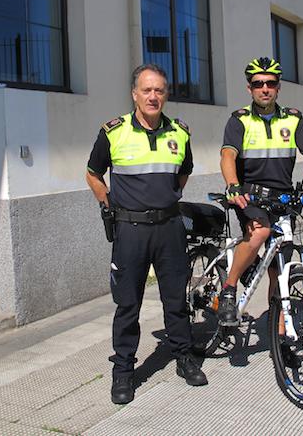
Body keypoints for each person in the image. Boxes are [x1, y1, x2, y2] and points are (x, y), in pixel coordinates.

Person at [86, 64, 208, 405]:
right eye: (147, 90)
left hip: (169, 227)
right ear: (134, 94)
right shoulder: (113, 132)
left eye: (160, 90)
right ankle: (123, 370)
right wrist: (109, 206)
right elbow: (93, 174)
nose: (154, 96)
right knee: (128, 305)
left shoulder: (180, 133)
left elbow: (183, 174)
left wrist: (166, 199)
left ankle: (184, 358)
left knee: (175, 300)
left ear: (166, 94)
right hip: (130, 230)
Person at [219, 56, 303, 364]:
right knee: (260, 230)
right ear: (249, 88)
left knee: (281, 273)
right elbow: (227, 155)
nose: (265, 89)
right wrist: (233, 185)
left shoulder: (292, 118)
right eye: (258, 84)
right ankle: (229, 287)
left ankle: (282, 339)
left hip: (282, 200)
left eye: (271, 83)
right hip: (249, 197)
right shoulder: (239, 120)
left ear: (278, 87)